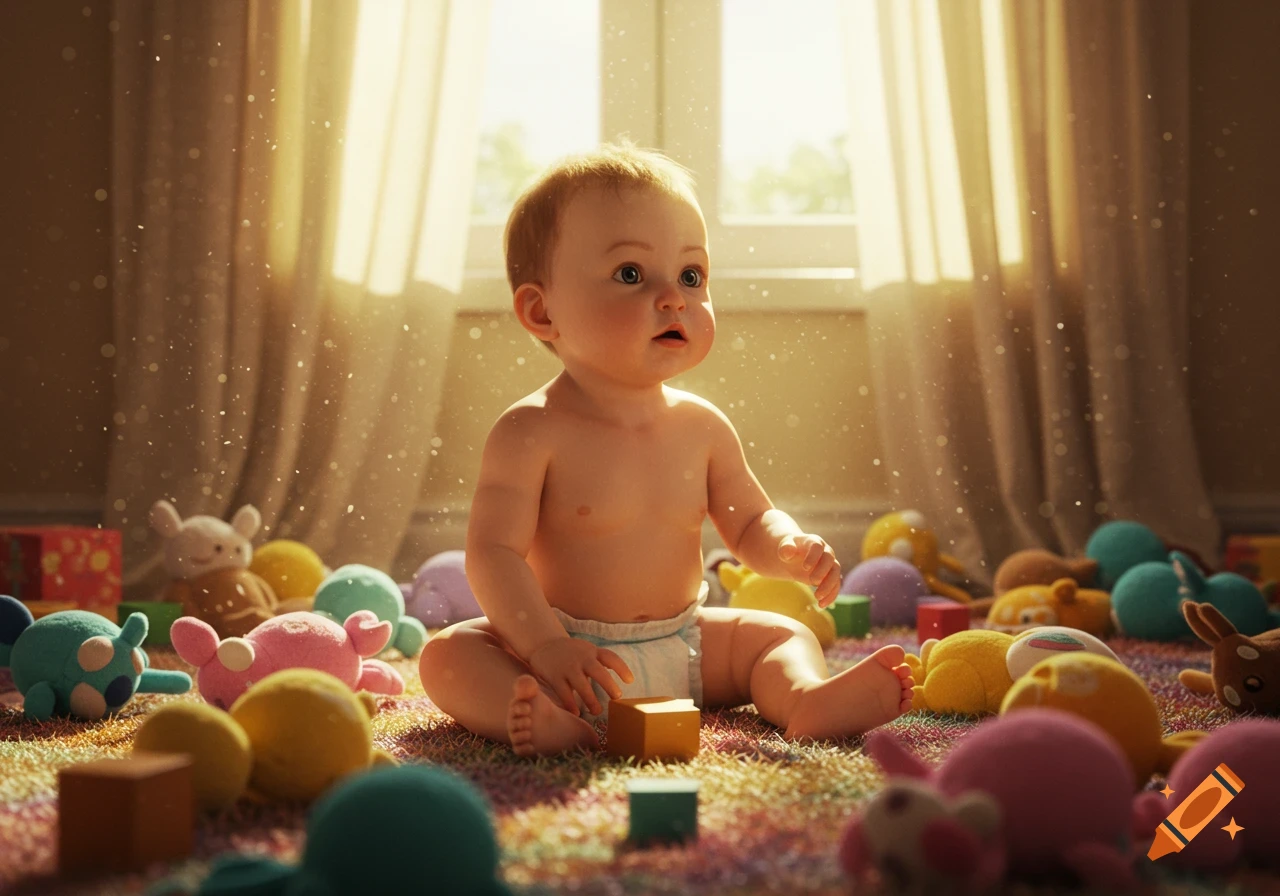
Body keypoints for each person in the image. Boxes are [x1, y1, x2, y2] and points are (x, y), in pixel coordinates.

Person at [420, 142, 913, 757]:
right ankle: (546, 719)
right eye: (631, 275)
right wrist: (546, 647)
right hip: (569, 656)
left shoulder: (702, 426)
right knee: (448, 656)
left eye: (691, 275)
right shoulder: (530, 431)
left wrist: (788, 545)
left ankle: (805, 698)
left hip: (690, 645)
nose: (674, 297)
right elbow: (493, 554)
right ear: (542, 311)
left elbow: (750, 521)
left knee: (780, 635)